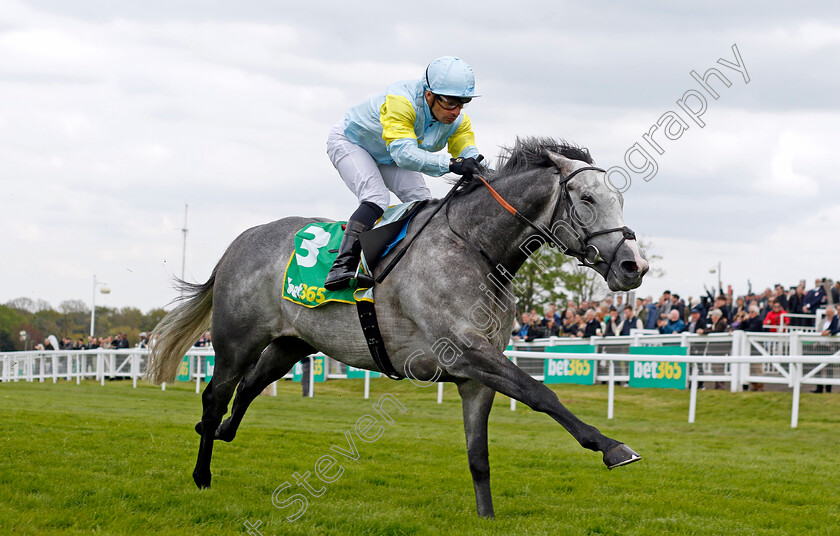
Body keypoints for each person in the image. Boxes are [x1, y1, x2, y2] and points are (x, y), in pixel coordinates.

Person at [324, 56, 483, 290]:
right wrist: (451, 165)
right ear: (429, 94)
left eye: (463, 102)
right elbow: (405, 155)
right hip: (351, 143)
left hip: (388, 153)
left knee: (422, 202)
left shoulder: (457, 120)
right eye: (450, 102)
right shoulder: (402, 101)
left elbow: (467, 151)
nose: (456, 111)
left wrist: (478, 167)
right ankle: (342, 266)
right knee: (376, 197)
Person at [812, 305, 839, 393]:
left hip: (831, 347)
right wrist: (827, 331)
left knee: (829, 369)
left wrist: (830, 332)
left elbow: (836, 329)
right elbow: (829, 328)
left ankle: (828, 389)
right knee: (818, 367)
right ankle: (819, 388)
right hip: (820, 346)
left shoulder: (835, 318)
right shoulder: (828, 320)